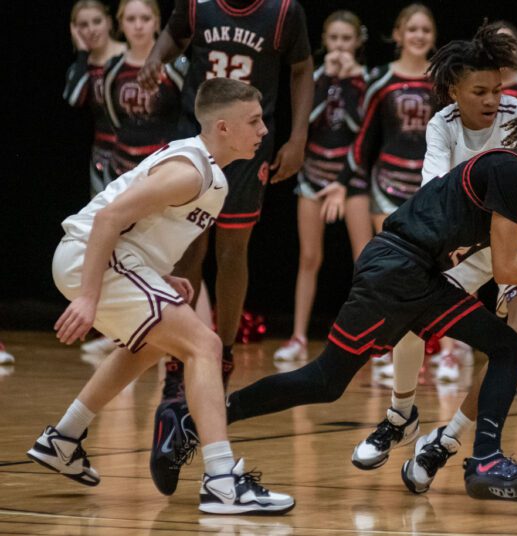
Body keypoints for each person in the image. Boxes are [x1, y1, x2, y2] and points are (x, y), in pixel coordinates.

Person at [162, 100, 517, 503]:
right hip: (394, 268)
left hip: (420, 277)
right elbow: (509, 269)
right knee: (325, 382)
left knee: (507, 347)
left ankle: (485, 460)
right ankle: (194, 420)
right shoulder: (510, 169)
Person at [348, 27, 517, 495]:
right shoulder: (442, 125)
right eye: (480, 91)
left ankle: (448, 441)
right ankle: (400, 414)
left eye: (497, 88)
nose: (492, 99)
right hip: (468, 238)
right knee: (410, 315)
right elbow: (433, 190)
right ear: (454, 90)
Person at [27, 78, 294, 515]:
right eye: (254, 121)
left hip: (111, 260)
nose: (264, 130)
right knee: (204, 345)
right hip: (88, 256)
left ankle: (64, 438)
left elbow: (140, 230)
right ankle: (222, 481)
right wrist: (89, 297)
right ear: (223, 127)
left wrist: (159, 277)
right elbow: (109, 218)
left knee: (151, 345)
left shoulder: (211, 175)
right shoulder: (189, 171)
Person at [137, 0, 314, 494]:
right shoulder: (197, 6)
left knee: (233, 250)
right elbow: (173, 35)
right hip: (197, 134)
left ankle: (226, 353)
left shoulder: (283, 12)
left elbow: (302, 69)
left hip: (247, 146)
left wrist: (299, 136)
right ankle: (178, 361)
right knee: (188, 249)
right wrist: (155, 59)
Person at [335, 3, 437, 368]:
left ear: (434, 36)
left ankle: (446, 350)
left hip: (429, 186)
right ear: (398, 35)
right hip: (387, 186)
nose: (419, 36)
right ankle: (384, 343)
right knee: (392, 269)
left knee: (436, 270)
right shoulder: (381, 79)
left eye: (426, 30)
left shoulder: (442, 80)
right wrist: (342, 182)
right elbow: (362, 138)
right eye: (412, 29)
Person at [273, 10, 372, 363]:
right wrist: (328, 79)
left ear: (357, 42)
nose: (340, 46)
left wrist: (347, 81)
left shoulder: (367, 80)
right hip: (313, 175)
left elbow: (361, 127)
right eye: (334, 39)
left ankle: (372, 339)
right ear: (325, 42)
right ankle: (298, 336)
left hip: (351, 178)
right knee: (309, 257)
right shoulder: (315, 78)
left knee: (365, 260)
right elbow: (306, 122)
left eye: (347, 39)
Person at [66, 0, 128, 357]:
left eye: (96, 22)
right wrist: (80, 54)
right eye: (82, 25)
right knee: (104, 240)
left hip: (134, 156)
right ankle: (114, 328)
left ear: (109, 22)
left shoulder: (127, 56)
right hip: (102, 159)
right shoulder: (87, 64)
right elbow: (74, 98)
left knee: (136, 238)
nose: (91, 30)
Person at [102, 0, 186, 180]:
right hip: (121, 170)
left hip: (165, 172)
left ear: (157, 22)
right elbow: (113, 119)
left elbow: (189, 113)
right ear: (120, 23)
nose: (138, 26)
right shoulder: (113, 68)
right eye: (131, 19)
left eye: (145, 18)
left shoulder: (175, 66)